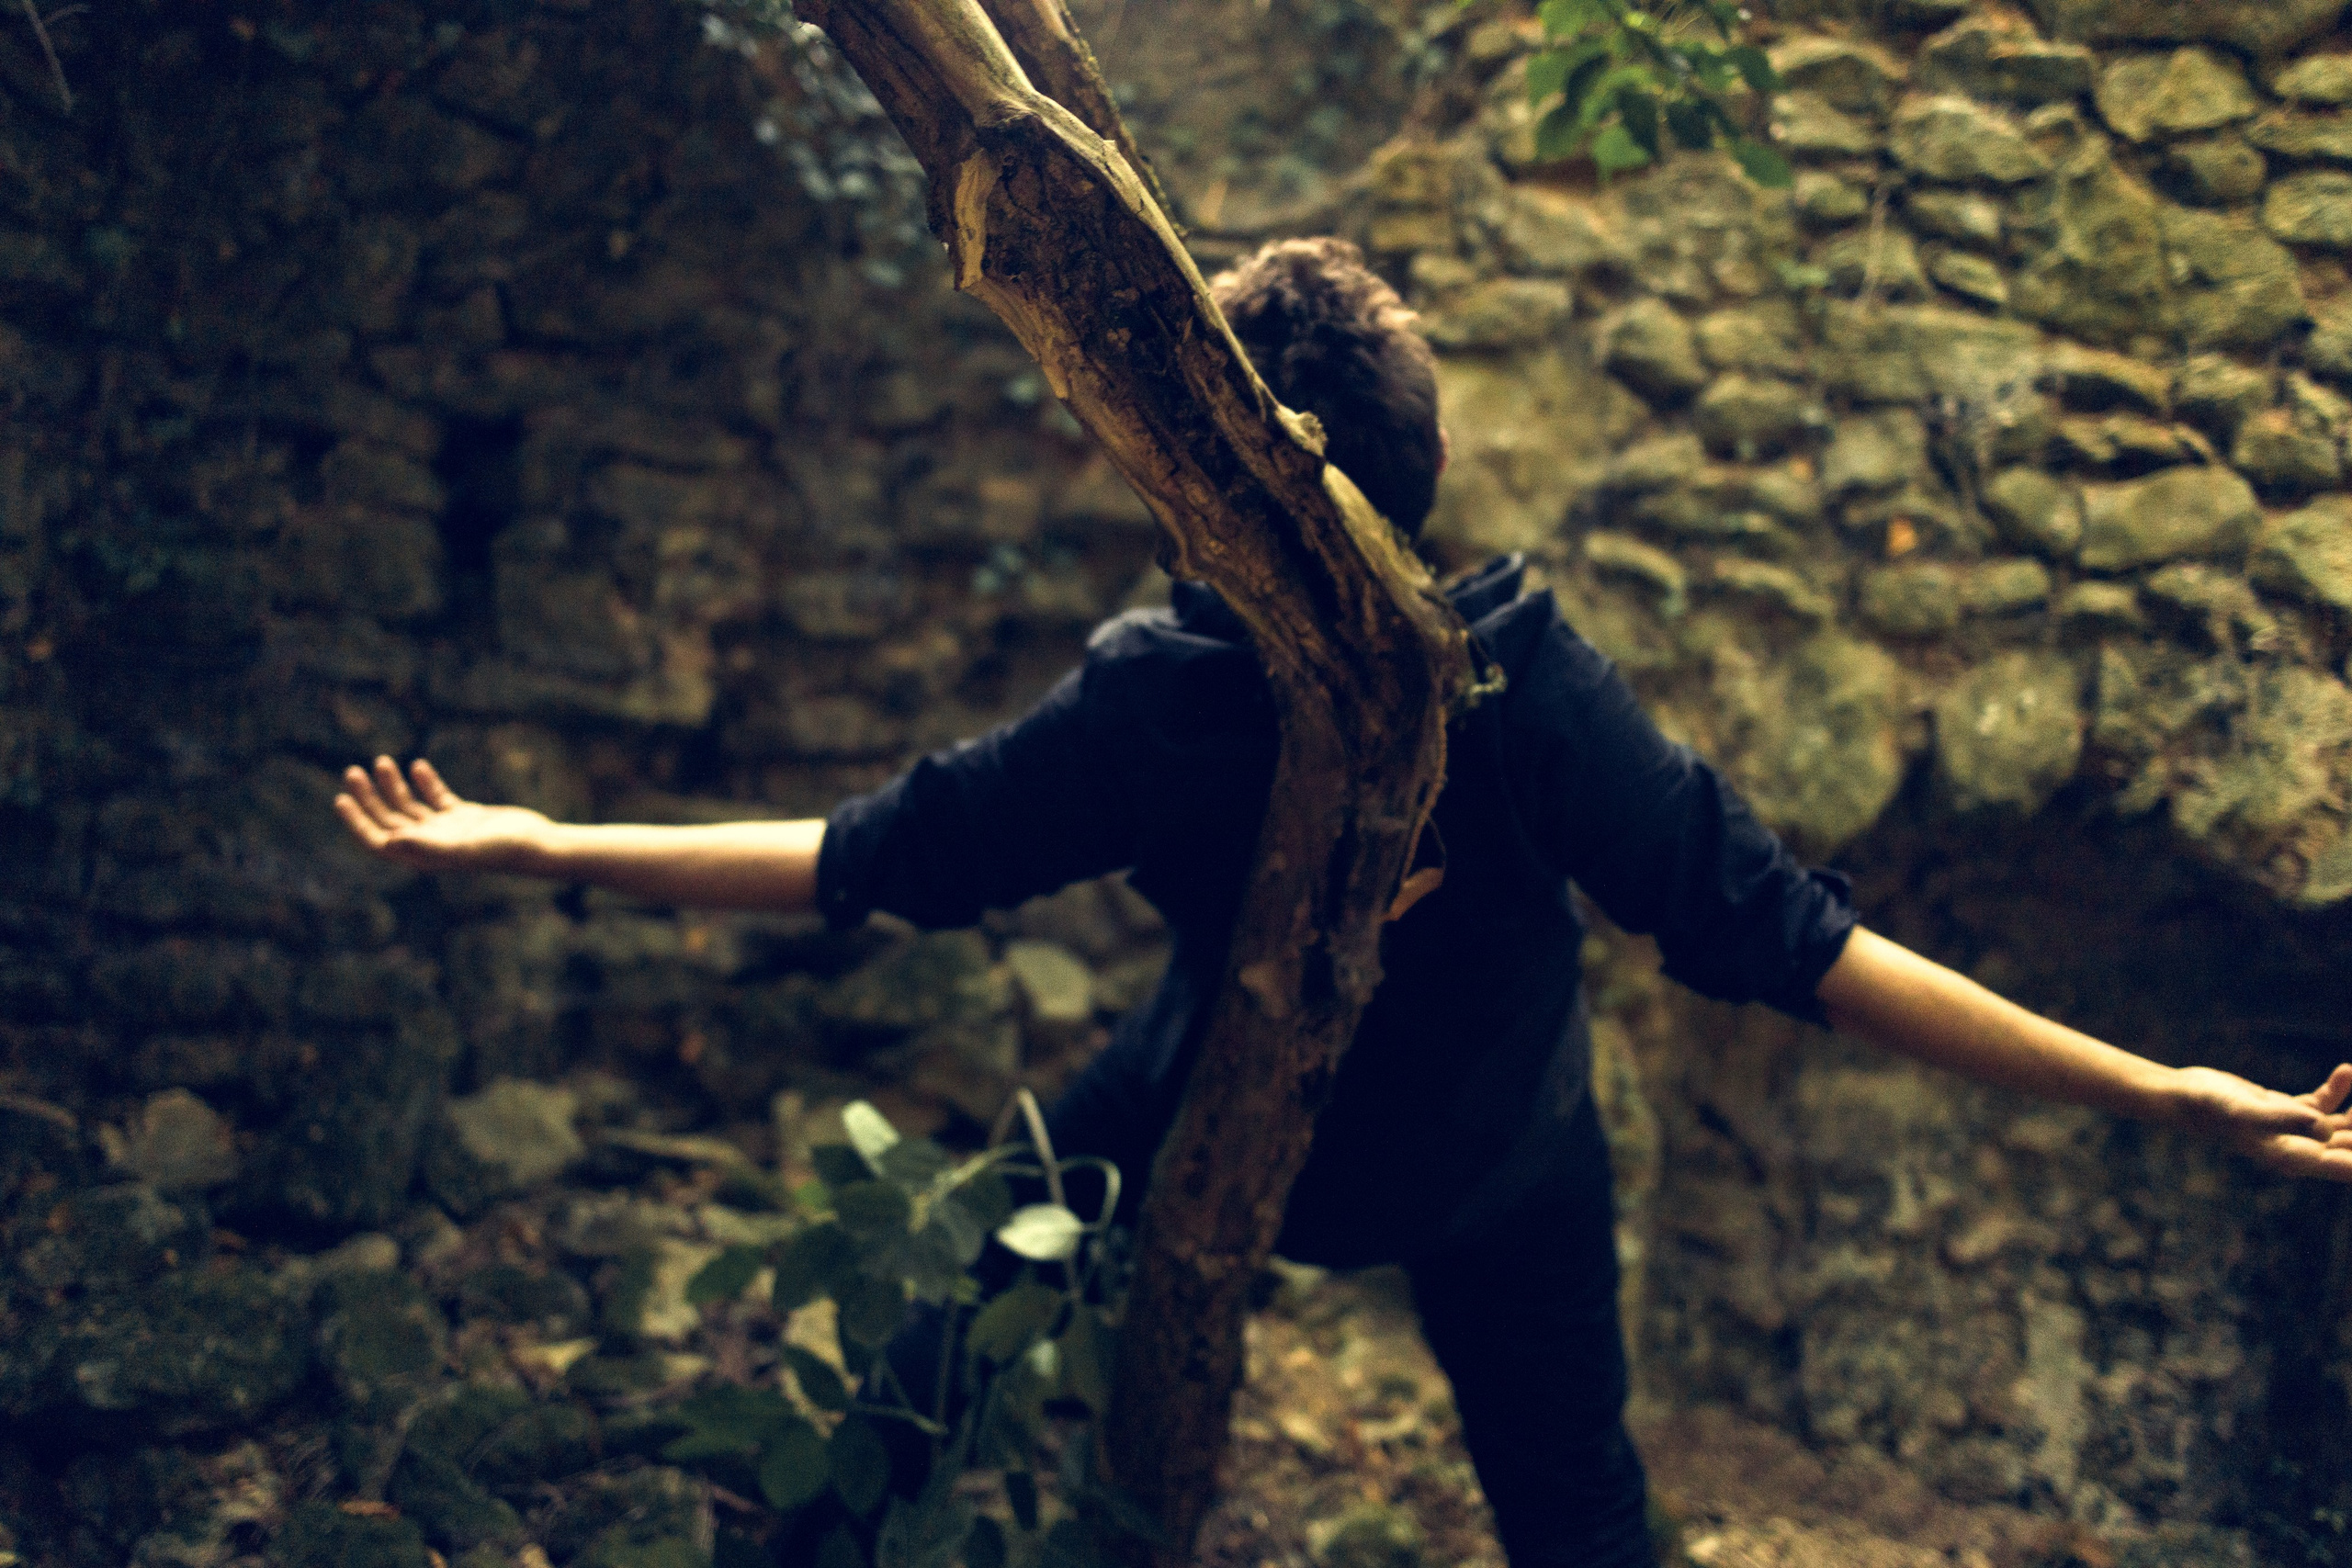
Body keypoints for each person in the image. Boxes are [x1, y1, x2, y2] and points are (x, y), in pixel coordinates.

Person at [334, 237, 2352, 1568]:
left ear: (1201, 474)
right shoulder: (1167, 703)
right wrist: (529, 844)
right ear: (1417, 458)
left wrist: (2163, 1087)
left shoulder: (1506, 683)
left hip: (1497, 1173)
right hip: (1223, 1115)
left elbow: (1796, 944)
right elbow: (882, 858)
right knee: (922, 1361)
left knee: (1581, 1522)